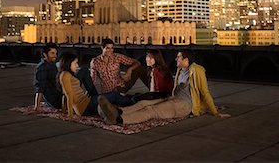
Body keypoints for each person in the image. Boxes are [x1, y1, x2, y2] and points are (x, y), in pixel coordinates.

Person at [97, 50, 231, 125]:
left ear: (186, 60)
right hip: (173, 98)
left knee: (152, 110)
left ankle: (120, 119)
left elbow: (205, 92)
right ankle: (118, 111)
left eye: (178, 57)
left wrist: (215, 112)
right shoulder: (180, 70)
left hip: (185, 105)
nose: (175, 59)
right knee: (143, 103)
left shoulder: (197, 70)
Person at [58, 53, 134, 118]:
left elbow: (65, 94)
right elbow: (68, 95)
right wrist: (70, 115)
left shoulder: (67, 74)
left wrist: (64, 109)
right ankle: (133, 105)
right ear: (68, 63)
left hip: (86, 102)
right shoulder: (65, 76)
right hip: (84, 107)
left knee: (111, 99)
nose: (77, 65)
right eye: (75, 63)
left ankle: (129, 101)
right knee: (114, 95)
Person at [33, 43, 97, 111]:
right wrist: (36, 107)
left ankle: (94, 97)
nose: (55, 56)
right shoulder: (42, 67)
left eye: (56, 53)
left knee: (83, 71)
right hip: (58, 100)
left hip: (62, 93)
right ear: (44, 54)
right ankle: (95, 97)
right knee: (84, 71)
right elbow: (40, 88)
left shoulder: (52, 64)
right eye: (52, 53)